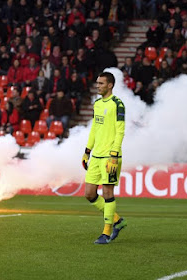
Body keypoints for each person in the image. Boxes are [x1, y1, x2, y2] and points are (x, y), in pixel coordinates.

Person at [82, 72, 127, 244]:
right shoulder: (98, 104)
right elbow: (94, 129)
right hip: (96, 155)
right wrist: (87, 151)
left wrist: (114, 153)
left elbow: (120, 130)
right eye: (97, 83)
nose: (98, 86)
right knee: (89, 193)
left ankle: (107, 233)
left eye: (101, 83)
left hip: (110, 156)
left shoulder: (118, 104)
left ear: (110, 85)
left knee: (108, 193)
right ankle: (117, 220)